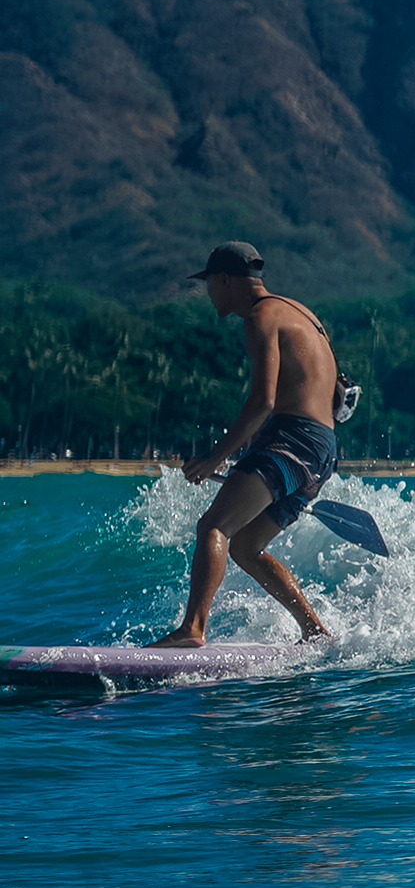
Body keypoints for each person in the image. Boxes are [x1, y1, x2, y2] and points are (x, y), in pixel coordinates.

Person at [150, 243, 342, 647]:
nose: (209, 295)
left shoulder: (260, 317)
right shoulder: (300, 312)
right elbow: (337, 394)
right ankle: (313, 631)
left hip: (293, 441)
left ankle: (193, 630)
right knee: (245, 545)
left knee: (212, 526)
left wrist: (213, 459)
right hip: (323, 447)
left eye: (209, 284)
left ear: (224, 279)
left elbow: (263, 402)